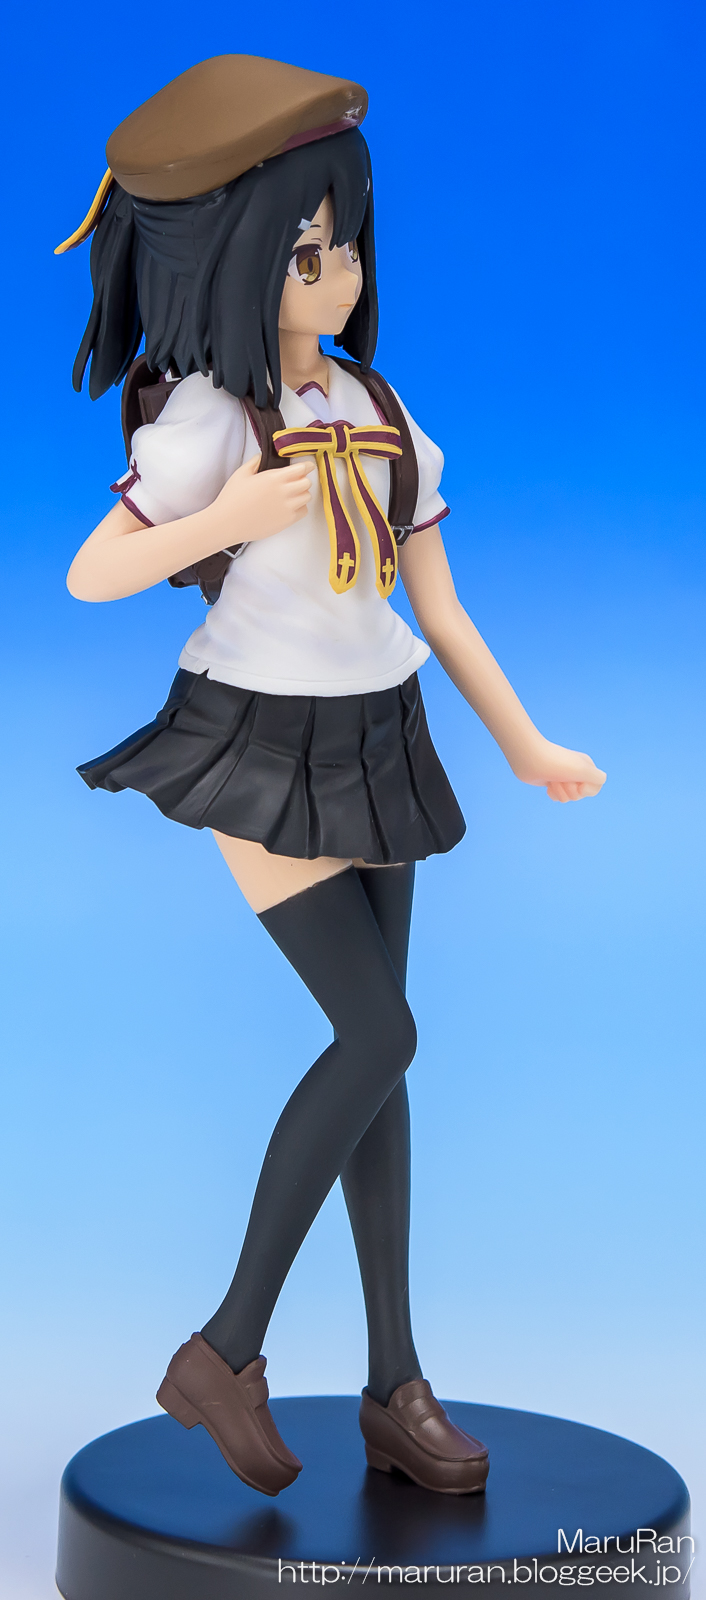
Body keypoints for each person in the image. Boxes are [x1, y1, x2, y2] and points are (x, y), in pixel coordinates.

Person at [62, 54, 606, 1500]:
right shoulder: (210, 416)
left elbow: (441, 608)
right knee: (377, 1037)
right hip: (257, 737)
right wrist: (228, 512)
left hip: (379, 734)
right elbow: (94, 572)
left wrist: (525, 741)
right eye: (304, 251)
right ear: (234, 256)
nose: (336, 273)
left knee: (386, 1063)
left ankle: (392, 1384)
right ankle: (223, 1348)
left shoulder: (377, 402)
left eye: (346, 243)